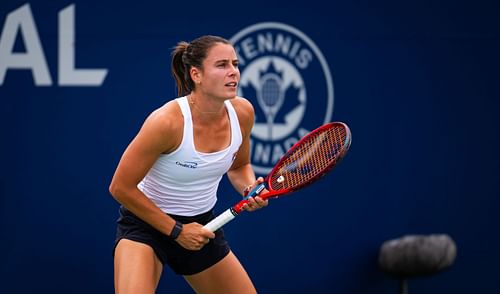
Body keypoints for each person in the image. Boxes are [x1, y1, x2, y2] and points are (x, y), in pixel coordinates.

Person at [109, 35, 268, 294]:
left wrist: (249, 188)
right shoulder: (167, 122)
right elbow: (120, 188)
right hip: (146, 226)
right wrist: (176, 231)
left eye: (235, 64)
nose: (233, 73)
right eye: (222, 65)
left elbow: (239, 166)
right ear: (196, 74)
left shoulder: (243, 113)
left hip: (203, 226)